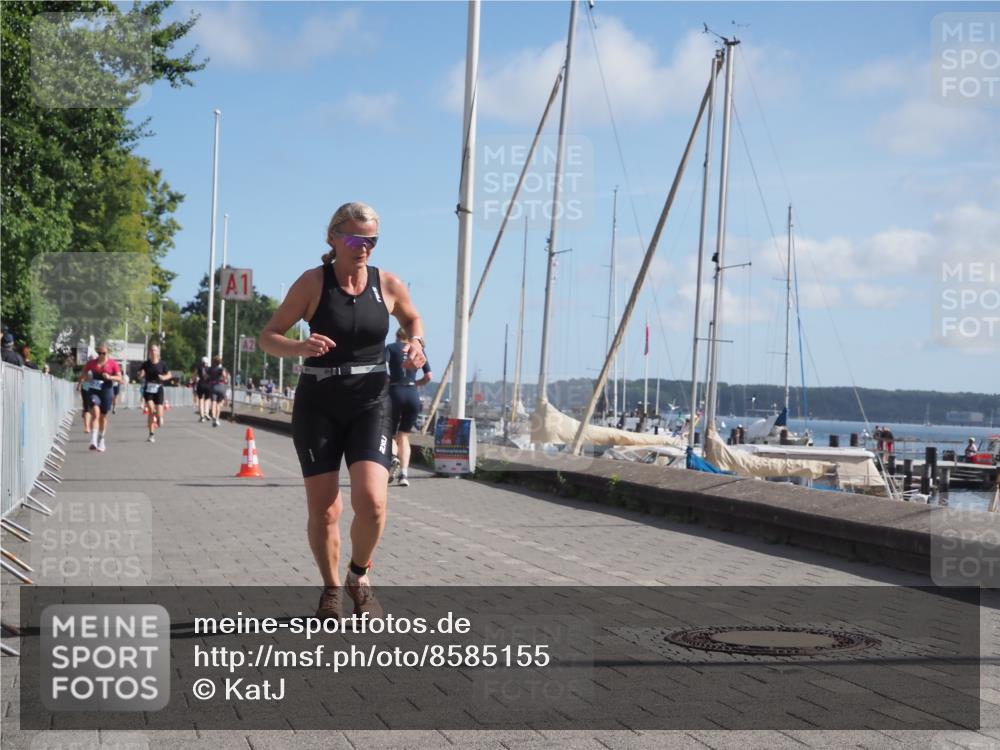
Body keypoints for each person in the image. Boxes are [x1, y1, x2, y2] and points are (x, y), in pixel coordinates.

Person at [259, 201, 426, 622]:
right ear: (333, 238)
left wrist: (417, 344)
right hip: (318, 403)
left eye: (371, 241)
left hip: (371, 402)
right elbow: (269, 336)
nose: (363, 248)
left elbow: (412, 319)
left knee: (372, 502)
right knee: (326, 510)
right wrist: (299, 347)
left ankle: (359, 575)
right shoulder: (313, 283)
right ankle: (331, 589)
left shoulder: (387, 283)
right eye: (354, 239)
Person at [386, 328, 432, 487]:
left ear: (397, 336)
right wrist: (415, 384)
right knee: (404, 436)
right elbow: (428, 376)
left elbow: (383, 369)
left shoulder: (391, 348)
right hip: (412, 394)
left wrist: (388, 383)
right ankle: (404, 475)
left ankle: (393, 459)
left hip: (395, 392)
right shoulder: (418, 350)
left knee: (391, 434)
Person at [79, 343, 123, 452]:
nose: (101, 355)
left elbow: (120, 379)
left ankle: (101, 439)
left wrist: (110, 377)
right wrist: (83, 380)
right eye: (99, 353)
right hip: (94, 391)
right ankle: (93, 440)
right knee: (95, 413)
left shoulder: (113, 364)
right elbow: (83, 373)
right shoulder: (92, 363)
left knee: (103, 417)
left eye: (104, 353)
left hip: (106, 391)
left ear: (108, 352)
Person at [138, 344, 172, 443]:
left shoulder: (162, 364)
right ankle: (151, 434)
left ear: (158, 352)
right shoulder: (146, 364)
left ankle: (159, 417)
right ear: (149, 352)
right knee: (150, 410)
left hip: (159, 388)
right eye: (152, 350)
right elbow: (139, 374)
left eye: (155, 350)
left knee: (159, 414)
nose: (153, 352)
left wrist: (164, 377)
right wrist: (140, 375)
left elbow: (169, 374)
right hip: (148, 388)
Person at [205, 355, 229, 426]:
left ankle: (213, 417)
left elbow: (205, 377)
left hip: (213, 387)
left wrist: (209, 379)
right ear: (220, 362)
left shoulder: (210, 369)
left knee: (213, 403)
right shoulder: (222, 369)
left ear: (213, 361)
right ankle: (217, 419)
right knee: (218, 404)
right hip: (221, 386)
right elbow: (224, 376)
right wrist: (225, 379)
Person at [194, 356, 210, 422]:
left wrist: (194, 380)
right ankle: (206, 413)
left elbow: (194, 377)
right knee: (207, 399)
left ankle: (202, 416)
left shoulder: (198, 368)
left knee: (200, 399)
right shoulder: (209, 369)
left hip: (200, 384)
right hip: (208, 385)